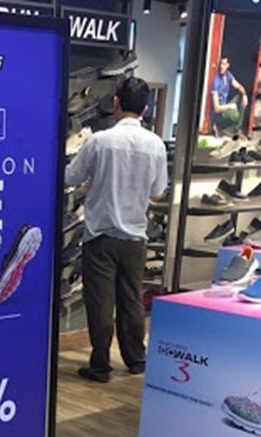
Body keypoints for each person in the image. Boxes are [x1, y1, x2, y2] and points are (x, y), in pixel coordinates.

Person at [65, 77, 168, 383]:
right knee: (131, 300)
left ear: (115, 103)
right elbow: (158, 192)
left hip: (101, 234)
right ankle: (136, 359)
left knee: (100, 302)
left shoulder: (100, 141)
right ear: (145, 109)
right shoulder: (156, 144)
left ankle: (100, 366)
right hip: (135, 236)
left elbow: (70, 177)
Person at [211, 57, 248, 137]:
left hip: (226, 104)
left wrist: (244, 95)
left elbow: (239, 86)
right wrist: (230, 106)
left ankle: (237, 130)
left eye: (224, 64)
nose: (222, 66)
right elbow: (217, 108)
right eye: (221, 64)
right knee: (236, 116)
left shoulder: (228, 75)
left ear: (228, 65)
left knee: (241, 96)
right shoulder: (216, 81)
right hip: (220, 111)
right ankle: (218, 126)